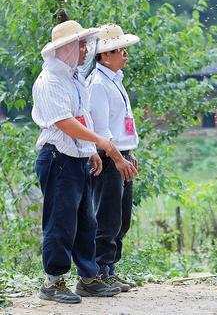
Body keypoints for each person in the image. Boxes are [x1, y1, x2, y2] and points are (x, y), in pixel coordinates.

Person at [32, 20, 138, 303]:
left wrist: (90, 149)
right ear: (65, 48)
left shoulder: (73, 78)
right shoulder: (50, 81)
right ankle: (53, 282)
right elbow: (64, 123)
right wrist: (101, 143)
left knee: (85, 222)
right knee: (60, 221)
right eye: (79, 45)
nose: (85, 49)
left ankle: (89, 278)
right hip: (58, 158)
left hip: (77, 157)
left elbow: (82, 116)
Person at [89, 23, 140, 292]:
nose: (125, 55)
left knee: (121, 218)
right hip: (109, 157)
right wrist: (119, 158)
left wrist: (130, 153)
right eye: (120, 50)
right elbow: (102, 131)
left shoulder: (115, 81)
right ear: (104, 55)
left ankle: (111, 269)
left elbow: (123, 124)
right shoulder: (98, 84)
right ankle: (99, 270)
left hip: (122, 154)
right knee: (107, 217)